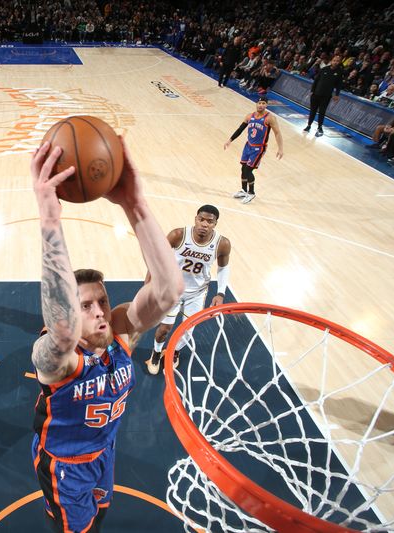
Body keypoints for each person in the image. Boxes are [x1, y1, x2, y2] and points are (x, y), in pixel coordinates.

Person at [29, 140, 183, 532]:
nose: (98, 311)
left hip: (104, 451)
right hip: (65, 465)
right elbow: (63, 329)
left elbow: (168, 291)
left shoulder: (118, 335)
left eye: (101, 300)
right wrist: (49, 217)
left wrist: (134, 203)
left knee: (100, 517)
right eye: (85, 305)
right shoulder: (58, 358)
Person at [145, 205, 232, 374]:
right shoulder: (178, 235)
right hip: (173, 290)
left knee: (188, 330)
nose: (204, 224)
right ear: (195, 219)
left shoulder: (222, 244)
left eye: (210, 221)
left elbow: (223, 268)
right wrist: (148, 283)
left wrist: (221, 293)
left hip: (198, 293)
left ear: (215, 224)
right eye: (201, 219)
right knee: (165, 329)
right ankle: (156, 353)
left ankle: (174, 352)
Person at [223, 95, 284, 204]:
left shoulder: (270, 118)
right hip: (248, 145)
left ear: (266, 105)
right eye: (259, 103)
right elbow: (240, 129)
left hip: (259, 148)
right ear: (256, 104)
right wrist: (230, 140)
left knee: (248, 170)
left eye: (263, 103)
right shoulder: (249, 116)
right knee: (243, 168)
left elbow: (277, 133)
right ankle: (243, 190)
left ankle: (251, 193)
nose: (261, 105)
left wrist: (280, 148)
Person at [304, 54, 343, 137]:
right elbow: (316, 81)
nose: (336, 62)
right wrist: (312, 91)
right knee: (312, 111)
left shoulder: (339, 72)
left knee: (322, 112)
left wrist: (337, 94)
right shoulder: (324, 69)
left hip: (326, 96)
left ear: (339, 62)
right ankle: (309, 125)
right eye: (334, 60)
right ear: (331, 61)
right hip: (316, 94)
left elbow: (339, 85)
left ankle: (319, 127)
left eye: (338, 61)